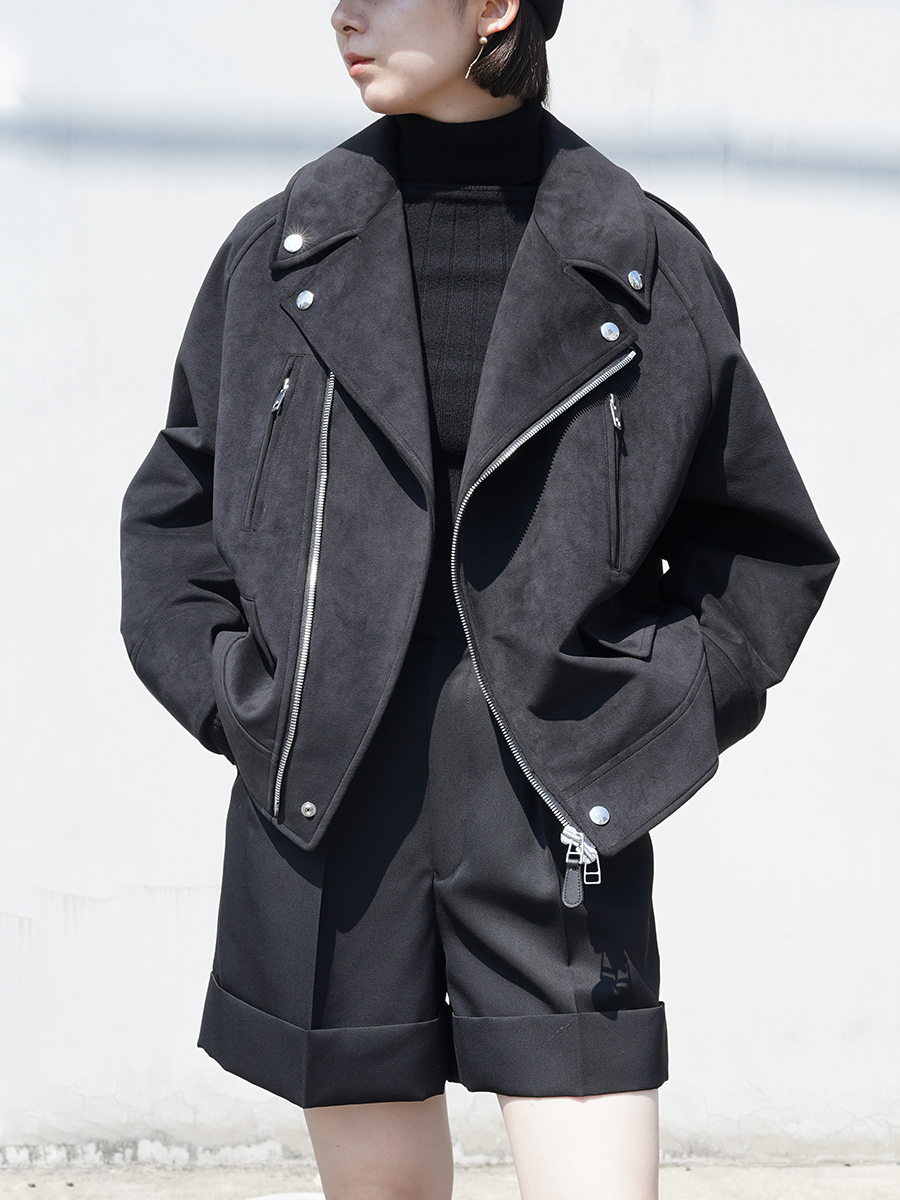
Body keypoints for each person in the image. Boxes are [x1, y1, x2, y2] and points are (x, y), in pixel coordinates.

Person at [119, 0, 838, 1196]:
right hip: (330, 801)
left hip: (556, 797)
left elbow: (763, 545)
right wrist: (250, 706)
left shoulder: (641, 259)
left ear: (496, 6)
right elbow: (174, 518)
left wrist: (645, 725)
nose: (344, 12)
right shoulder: (279, 256)